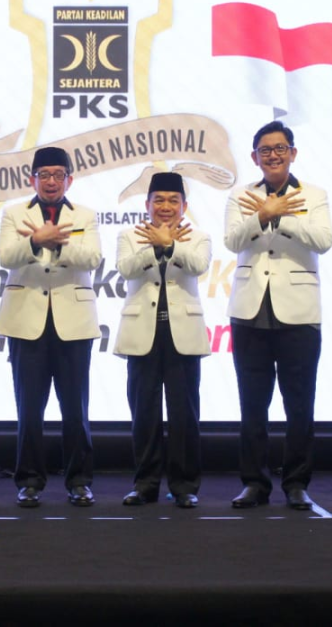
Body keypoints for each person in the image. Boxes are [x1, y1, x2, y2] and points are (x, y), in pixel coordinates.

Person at [224, 120, 332, 511]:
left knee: (299, 404)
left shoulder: (314, 195)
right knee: (252, 404)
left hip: (299, 315)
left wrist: (279, 215)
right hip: (250, 312)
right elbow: (232, 240)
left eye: (280, 148)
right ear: (255, 157)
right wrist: (261, 215)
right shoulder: (241, 196)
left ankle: (297, 483)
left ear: (293, 152)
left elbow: (323, 240)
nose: (273, 155)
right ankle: (254, 483)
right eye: (265, 150)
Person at [0, 146, 102, 508]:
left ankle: (80, 481)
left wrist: (58, 241)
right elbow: (6, 257)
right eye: (44, 175)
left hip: (73, 323)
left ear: (70, 179)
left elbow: (92, 259)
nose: (51, 181)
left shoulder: (85, 214)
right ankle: (29, 481)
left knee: (76, 410)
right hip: (26, 322)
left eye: (58, 175)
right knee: (29, 410)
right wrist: (33, 240)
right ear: (32, 179)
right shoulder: (13, 213)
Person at [114, 172, 211, 509]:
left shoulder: (198, 237)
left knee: (185, 415)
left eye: (173, 200)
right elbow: (126, 268)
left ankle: (185, 486)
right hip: (143, 334)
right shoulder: (130, 235)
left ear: (184, 206)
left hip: (182, 335)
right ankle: (145, 484)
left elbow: (198, 266)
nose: (166, 207)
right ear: (147, 205)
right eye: (159, 200)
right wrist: (154, 245)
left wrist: (170, 245)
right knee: (144, 413)